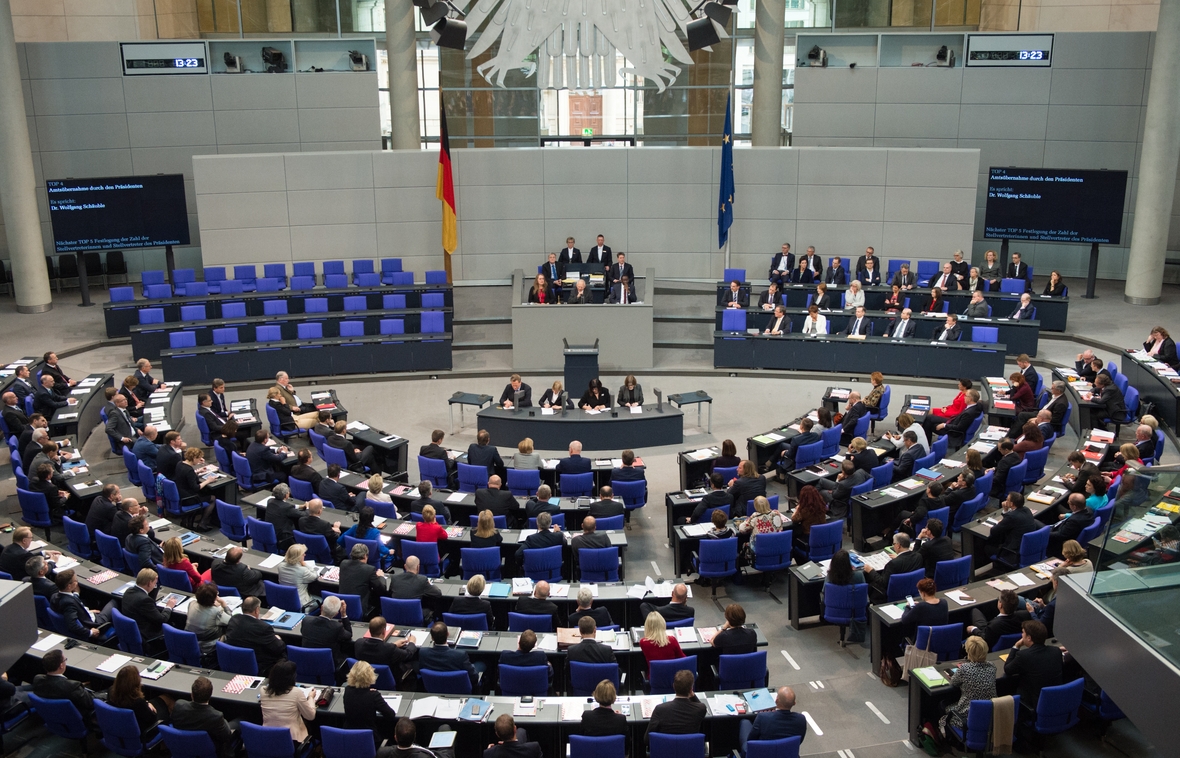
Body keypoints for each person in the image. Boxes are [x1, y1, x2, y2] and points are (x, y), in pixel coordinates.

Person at [938, 636, 996, 739]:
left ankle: (948, 737)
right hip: (989, 715)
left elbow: (954, 683)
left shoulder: (965, 669)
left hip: (966, 716)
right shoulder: (992, 667)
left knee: (943, 704)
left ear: (968, 651)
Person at [172, 677, 239, 758]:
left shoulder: (179, 705)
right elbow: (226, 735)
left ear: (192, 694)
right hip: (212, 750)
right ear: (210, 695)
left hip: (184, 748)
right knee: (240, 721)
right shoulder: (216, 716)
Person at [1003, 620, 1062, 709]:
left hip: (1033, 704)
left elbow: (1008, 669)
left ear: (1029, 638)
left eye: (1023, 633)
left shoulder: (1024, 655)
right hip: (1056, 701)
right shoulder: (1056, 651)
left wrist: (1016, 646)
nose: (1021, 635)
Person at [260, 660, 317, 747]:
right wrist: (311, 698)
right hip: (293, 742)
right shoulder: (296, 692)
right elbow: (310, 716)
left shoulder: (263, 690)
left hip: (268, 739)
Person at [226, 596, 287, 675]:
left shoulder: (233, 620)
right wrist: (278, 639)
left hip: (237, 660)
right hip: (260, 663)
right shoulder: (263, 627)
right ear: (257, 610)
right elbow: (279, 648)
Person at [33, 649, 96, 726]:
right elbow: (91, 703)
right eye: (65, 660)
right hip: (78, 721)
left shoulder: (37, 679)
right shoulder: (72, 686)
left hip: (53, 717)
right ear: (61, 665)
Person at [739, 686, 806, 755]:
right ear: (794, 703)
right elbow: (799, 741)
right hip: (786, 754)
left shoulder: (763, 717)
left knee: (744, 722)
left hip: (762, 754)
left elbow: (751, 740)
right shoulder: (801, 719)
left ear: (776, 701)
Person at [50, 569, 115, 640]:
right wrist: (90, 633)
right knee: (114, 600)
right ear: (69, 586)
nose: (77, 582)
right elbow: (72, 626)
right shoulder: (69, 603)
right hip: (94, 622)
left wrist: (86, 611)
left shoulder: (54, 596)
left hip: (86, 615)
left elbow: (70, 603)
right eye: (75, 581)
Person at [645, 670, 706, 745]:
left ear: (673, 686)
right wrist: (692, 694)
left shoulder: (660, 709)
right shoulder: (700, 709)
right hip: (689, 751)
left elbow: (647, 739)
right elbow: (698, 705)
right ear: (691, 689)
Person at [108, 665, 173, 734]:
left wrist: (147, 703)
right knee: (169, 701)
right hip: (145, 732)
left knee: (164, 697)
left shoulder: (111, 692)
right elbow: (152, 718)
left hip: (123, 727)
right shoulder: (138, 702)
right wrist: (147, 705)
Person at [343, 660, 397, 742]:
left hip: (350, 736)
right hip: (370, 738)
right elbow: (390, 714)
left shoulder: (347, 691)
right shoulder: (373, 695)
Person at [355, 617, 419, 685]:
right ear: (383, 631)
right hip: (390, 680)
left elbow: (378, 648)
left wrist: (394, 645)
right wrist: (412, 642)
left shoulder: (358, 643)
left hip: (365, 679)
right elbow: (408, 654)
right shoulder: (390, 649)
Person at [864, 533, 925, 603]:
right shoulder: (918, 557)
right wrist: (899, 557)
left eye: (893, 544)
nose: (893, 545)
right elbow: (909, 557)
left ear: (898, 546)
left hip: (894, 593)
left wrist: (870, 570)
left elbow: (883, 582)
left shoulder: (893, 564)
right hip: (911, 590)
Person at [420, 622, 483, 688]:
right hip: (459, 689)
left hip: (434, 687)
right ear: (447, 634)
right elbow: (474, 677)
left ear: (432, 638)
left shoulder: (423, 652)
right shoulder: (460, 655)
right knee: (482, 664)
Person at [122, 568, 177, 640]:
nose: (155, 586)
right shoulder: (145, 600)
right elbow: (162, 619)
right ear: (149, 583)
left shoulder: (128, 591)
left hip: (131, 631)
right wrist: (169, 607)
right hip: (147, 635)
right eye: (155, 583)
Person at [302, 595, 352, 667]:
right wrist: (344, 614)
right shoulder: (337, 627)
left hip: (307, 662)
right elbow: (349, 634)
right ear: (336, 614)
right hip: (328, 664)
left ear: (321, 607)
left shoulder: (306, 621)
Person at [186, 582, 233, 658]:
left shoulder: (192, 603)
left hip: (192, 642)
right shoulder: (216, 611)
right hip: (208, 647)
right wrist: (224, 605)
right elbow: (231, 621)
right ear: (214, 598)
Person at [387, 554, 441, 620]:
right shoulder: (422, 580)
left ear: (405, 566)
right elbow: (438, 593)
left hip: (396, 616)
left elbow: (390, 594)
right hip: (414, 617)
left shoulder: (394, 578)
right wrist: (429, 584)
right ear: (418, 567)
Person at [987, 492, 1037, 561]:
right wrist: (1005, 510)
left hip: (1012, 550)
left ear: (1012, 504)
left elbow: (993, 531)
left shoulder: (1012, 517)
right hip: (1026, 546)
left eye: (1007, 500)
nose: (1005, 501)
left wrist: (1000, 523)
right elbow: (1009, 520)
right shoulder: (1026, 509)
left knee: (987, 548)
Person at [581, 680, 628, 749]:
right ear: (614, 697)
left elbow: (582, 740)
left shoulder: (587, 716)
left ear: (596, 695)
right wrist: (618, 716)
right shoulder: (621, 720)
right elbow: (626, 747)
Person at [277, 543, 319, 610]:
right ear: (298, 557)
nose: (305, 555)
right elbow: (315, 576)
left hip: (284, 600)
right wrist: (305, 564)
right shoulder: (303, 571)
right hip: (301, 604)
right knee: (321, 600)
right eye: (303, 554)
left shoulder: (280, 566)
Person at [789, 486, 828, 554]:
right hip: (822, 536)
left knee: (792, 537)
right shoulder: (822, 505)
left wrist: (798, 508)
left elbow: (794, 519)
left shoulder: (804, 510)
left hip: (809, 538)